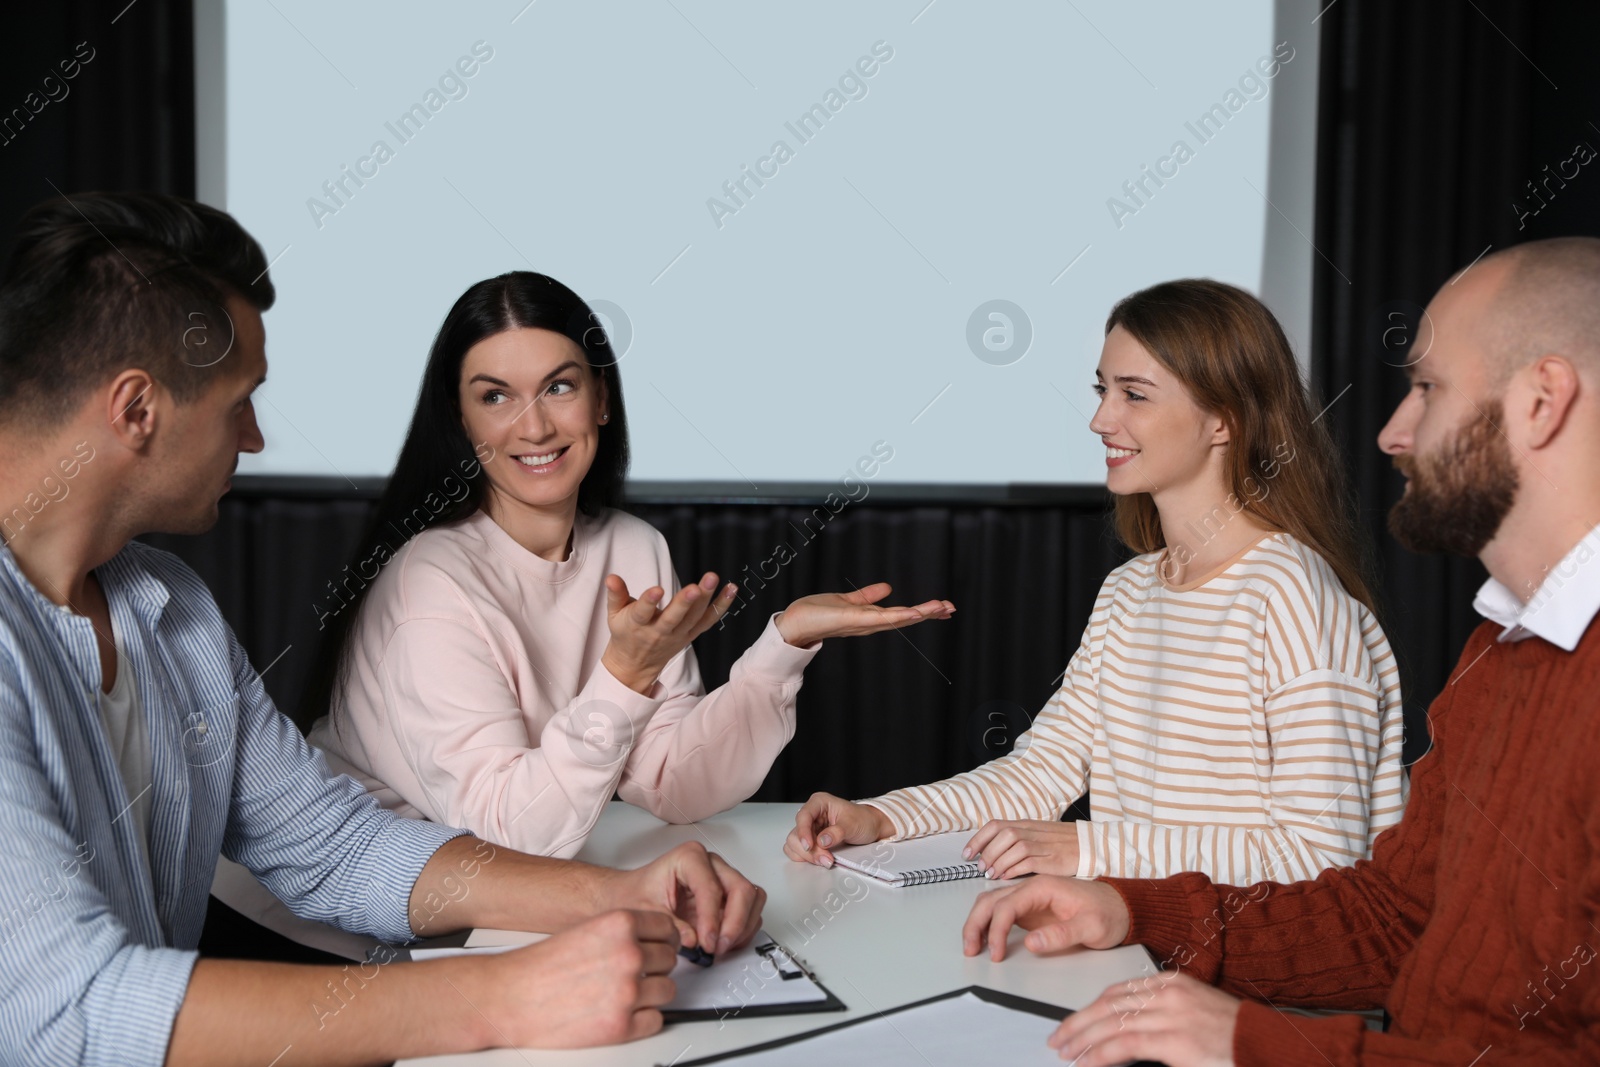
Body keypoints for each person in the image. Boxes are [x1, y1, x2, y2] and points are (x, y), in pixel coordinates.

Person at [0, 190, 767, 1066]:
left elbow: (335, 844)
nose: (253, 436)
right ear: (138, 409)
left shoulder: (167, 605)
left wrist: (610, 891)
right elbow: (65, 1012)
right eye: (239, 401)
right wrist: (506, 993)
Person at [961, 237, 1600, 1066]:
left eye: (1426, 391)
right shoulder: (1500, 651)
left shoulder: (1299, 596)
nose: (1392, 433)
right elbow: (1392, 917)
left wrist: (1248, 1038)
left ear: (1543, 401)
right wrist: (1133, 913)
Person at [302, 271, 955, 857]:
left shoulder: (633, 546)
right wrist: (627, 672)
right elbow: (509, 834)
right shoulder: (429, 581)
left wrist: (785, 645)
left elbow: (674, 782)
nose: (533, 427)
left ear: (601, 401)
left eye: (559, 386)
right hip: (354, 921)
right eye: (496, 397)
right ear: (460, 419)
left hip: (491, 900)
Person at [786, 280, 1407, 886]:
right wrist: (880, 817)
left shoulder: (1294, 594)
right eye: (1103, 389)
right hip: (1146, 951)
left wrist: (1088, 848)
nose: (1100, 419)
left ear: (1224, 420)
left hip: (1256, 985)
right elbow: (1038, 774)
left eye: (1134, 394)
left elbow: (1323, 858)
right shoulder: (1129, 591)